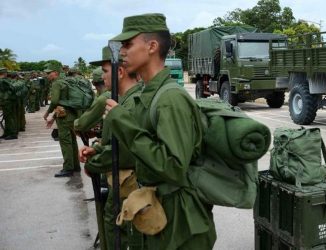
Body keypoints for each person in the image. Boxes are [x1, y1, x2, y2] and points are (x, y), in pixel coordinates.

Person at [105, 13, 216, 249]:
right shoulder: (151, 94)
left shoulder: (169, 99)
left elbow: (173, 166)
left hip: (180, 223)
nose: (122, 51)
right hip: (159, 210)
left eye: (128, 44)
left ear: (152, 46)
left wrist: (123, 123)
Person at [79, 47, 144, 250]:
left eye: (106, 71)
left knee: (124, 234)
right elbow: (114, 140)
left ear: (120, 72)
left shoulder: (131, 104)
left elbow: (126, 151)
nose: (101, 77)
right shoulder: (121, 101)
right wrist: (97, 150)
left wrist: (95, 162)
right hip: (120, 181)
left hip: (128, 183)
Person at [43, 63, 80, 177]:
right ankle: (76, 166)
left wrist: (48, 112)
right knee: (72, 141)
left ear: (56, 73)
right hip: (71, 115)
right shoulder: (66, 81)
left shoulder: (56, 83)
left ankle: (68, 168)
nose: (47, 75)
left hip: (64, 117)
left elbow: (54, 101)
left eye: (49, 73)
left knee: (65, 142)